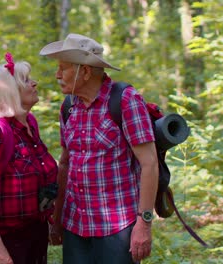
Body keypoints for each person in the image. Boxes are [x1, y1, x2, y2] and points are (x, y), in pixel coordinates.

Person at [39, 33, 159, 263]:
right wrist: (57, 218)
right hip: (76, 226)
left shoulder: (125, 100)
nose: (57, 75)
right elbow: (65, 162)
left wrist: (144, 223)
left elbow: (149, 163)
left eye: (63, 68)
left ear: (84, 71)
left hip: (117, 228)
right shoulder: (68, 107)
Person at [0, 52, 58, 264]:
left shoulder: (30, 124)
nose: (34, 83)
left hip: (34, 233)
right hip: (6, 241)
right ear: (11, 90)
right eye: (26, 80)